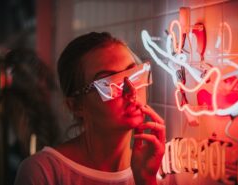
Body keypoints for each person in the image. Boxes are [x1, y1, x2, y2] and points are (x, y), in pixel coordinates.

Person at [14, 32, 166, 185]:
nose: (131, 92)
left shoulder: (155, 168)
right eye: (109, 84)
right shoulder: (43, 172)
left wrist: (146, 180)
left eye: (134, 75)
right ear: (76, 105)